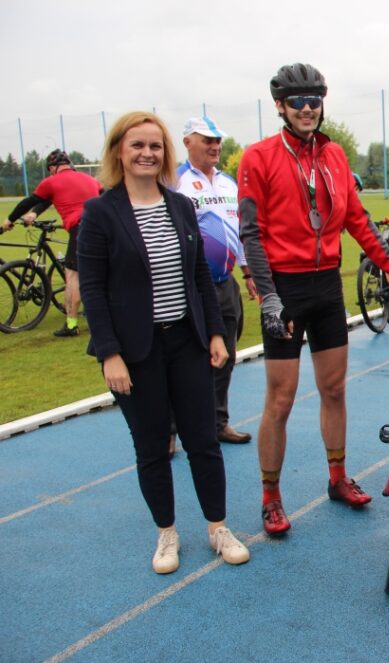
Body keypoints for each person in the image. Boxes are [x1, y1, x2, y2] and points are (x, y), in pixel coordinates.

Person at [238, 63, 389, 536]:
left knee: (335, 390)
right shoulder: (258, 157)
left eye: (315, 99)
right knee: (281, 398)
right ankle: (270, 496)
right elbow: (251, 235)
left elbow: (357, 219)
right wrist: (270, 298)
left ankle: (337, 477)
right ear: (280, 106)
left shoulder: (334, 155)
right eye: (297, 101)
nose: (307, 108)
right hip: (285, 290)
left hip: (325, 287)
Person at [77, 111, 249, 574]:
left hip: (187, 344)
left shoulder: (180, 206)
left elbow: (199, 276)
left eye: (155, 146)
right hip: (136, 352)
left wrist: (214, 331)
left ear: (165, 154)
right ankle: (167, 534)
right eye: (137, 145)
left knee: (203, 442)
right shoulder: (100, 213)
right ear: (119, 151)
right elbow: (92, 289)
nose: (147, 153)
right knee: (152, 447)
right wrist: (110, 354)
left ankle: (218, 527)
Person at [176, 115, 257, 445]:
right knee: (183, 359)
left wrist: (248, 272)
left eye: (217, 140)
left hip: (224, 284)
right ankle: (170, 430)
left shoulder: (228, 182)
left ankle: (217, 422)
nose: (214, 146)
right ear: (187, 143)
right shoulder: (174, 180)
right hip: (187, 286)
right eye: (206, 140)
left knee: (227, 354)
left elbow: (240, 230)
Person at [2, 149, 102, 337]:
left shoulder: (51, 181)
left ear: (52, 168)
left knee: (72, 276)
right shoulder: (90, 180)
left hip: (83, 228)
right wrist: (35, 213)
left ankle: (71, 325)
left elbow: (28, 201)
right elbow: (49, 199)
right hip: (106, 227)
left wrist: (9, 220)